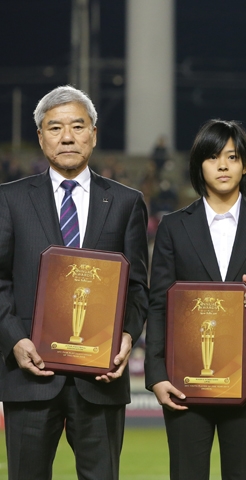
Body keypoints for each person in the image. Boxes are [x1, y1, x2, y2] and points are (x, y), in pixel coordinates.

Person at [0, 85, 149, 479]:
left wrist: (128, 337)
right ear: (41, 137)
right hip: (29, 375)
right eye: (55, 127)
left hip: (99, 378)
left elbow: (138, 287)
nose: (67, 136)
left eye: (77, 126)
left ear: (94, 134)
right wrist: (15, 339)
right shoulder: (8, 200)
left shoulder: (125, 202)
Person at [144, 119, 246, 480]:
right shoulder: (173, 225)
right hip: (185, 374)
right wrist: (156, 374)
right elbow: (158, 304)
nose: (224, 165)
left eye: (232, 156)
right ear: (199, 165)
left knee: (245, 474)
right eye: (213, 157)